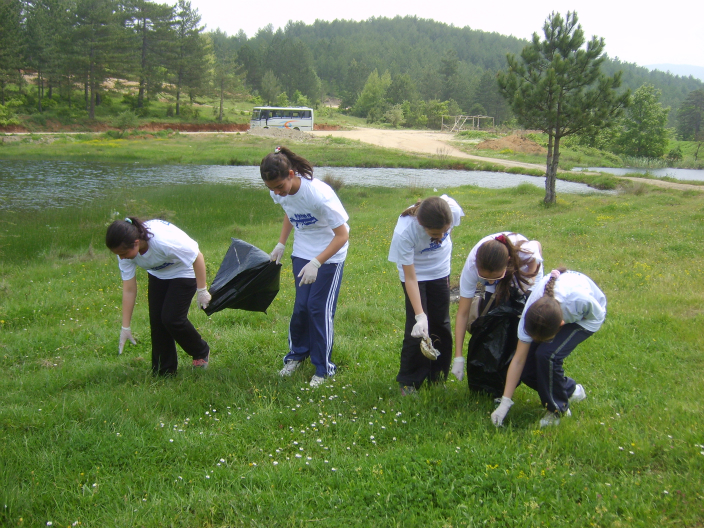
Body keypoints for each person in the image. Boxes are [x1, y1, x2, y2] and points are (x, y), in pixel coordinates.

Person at [260, 146, 349, 388]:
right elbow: (291, 211)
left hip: (329, 254)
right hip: (302, 251)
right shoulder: (279, 192)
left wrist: (317, 262)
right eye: (272, 189)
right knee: (301, 307)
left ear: (291, 174)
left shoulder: (319, 194)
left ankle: (324, 368)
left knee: (317, 308)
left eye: (279, 186)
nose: (277, 192)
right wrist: (281, 243)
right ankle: (296, 356)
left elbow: (343, 235)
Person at [491, 268, 607, 427]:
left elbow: (598, 315)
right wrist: (505, 403)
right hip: (555, 313)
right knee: (527, 369)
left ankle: (558, 410)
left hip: (588, 318)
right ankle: (572, 391)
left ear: (561, 325)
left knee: (547, 355)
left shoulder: (579, 300)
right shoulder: (530, 315)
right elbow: (519, 360)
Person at [105, 217, 212, 376]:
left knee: (171, 318)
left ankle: (200, 351)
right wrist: (125, 327)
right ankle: (165, 371)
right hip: (158, 274)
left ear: (136, 242)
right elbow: (129, 289)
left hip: (184, 270)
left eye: (123, 254)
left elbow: (197, 257)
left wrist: (202, 290)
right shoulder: (125, 249)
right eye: (118, 254)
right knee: (157, 322)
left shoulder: (162, 242)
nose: (121, 258)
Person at [388, 195, 464, 395]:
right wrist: (420, 316)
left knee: (441, 323)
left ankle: (438, 377)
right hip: (415, 272)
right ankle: (409, 381)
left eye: (444, 232)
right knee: (417, 329)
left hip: (440, 269)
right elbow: (410, 278)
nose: (440, 237)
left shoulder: (452, 210)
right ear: (421, 224)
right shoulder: (406, 230)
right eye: (434, 233)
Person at [451, 233, 543, 392]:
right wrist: (458, 356)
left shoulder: (524, 252)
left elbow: (537, 246)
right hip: (498, 269)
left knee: (521, 326)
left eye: (494, 278)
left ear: (507, 263)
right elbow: (463, 313)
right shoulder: (473, 266)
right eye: (485, 278)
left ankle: (519, 371)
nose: (491, 282)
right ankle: (494, 382)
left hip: (524, 275)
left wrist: (530, 282)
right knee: (492, 323)